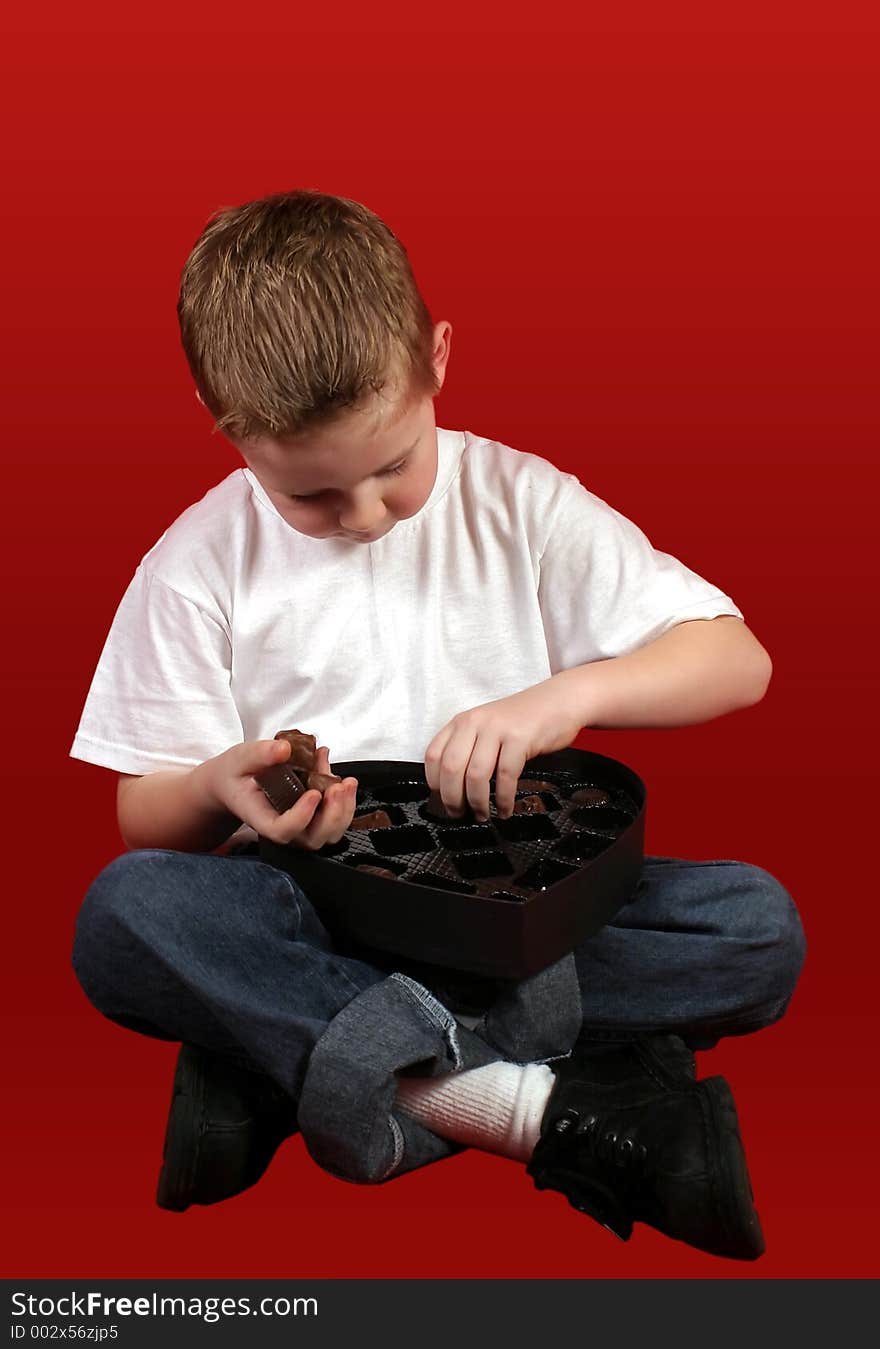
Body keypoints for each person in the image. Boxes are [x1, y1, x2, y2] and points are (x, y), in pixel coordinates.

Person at [69, 188, 806, 1261]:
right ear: (224, 423)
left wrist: (566, 695)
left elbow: (738, 660)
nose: (363, 515)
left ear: (438, 357)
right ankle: (531, 1109)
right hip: (310, 905)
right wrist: (218, 781)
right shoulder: (196, 563)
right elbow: (146, 818)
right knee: (125, 914)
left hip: (516, 905)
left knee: (753, 924)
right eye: (312, 498)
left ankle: (297, 1067)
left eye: (392, 466)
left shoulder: (522, 501)